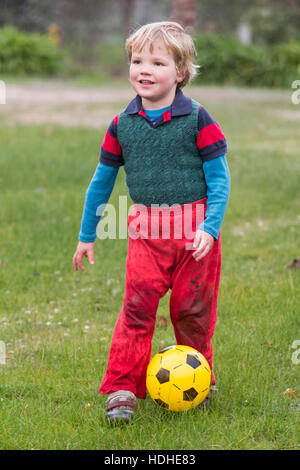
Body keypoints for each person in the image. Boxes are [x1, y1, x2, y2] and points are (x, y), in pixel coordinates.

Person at [73, 21, 230, 424]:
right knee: (137, 309)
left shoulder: (198, 119)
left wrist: (210, 228)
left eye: (157, 62)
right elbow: (101, 182)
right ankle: (122, 387)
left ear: (180, 72)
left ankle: (202, 376)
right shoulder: (122, 124)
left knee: (192, 311)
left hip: (194, 235)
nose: (144, 69)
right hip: (147, 235)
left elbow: (220, 179)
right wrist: (87, 234)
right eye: (137, 60)